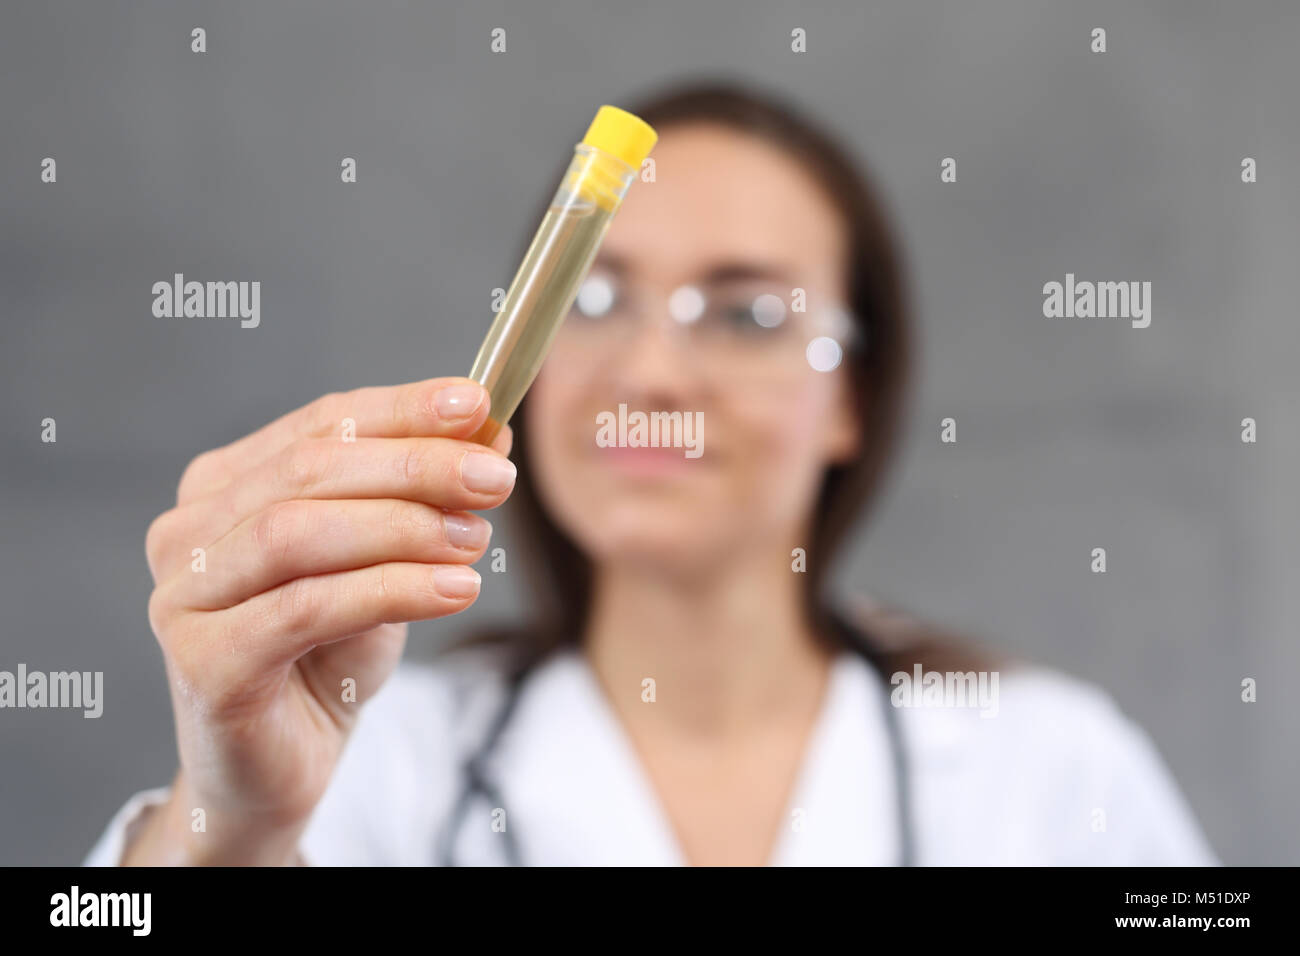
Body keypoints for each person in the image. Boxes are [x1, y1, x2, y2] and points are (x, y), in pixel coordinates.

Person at [84, 82, 1216, 866]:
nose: (652, 370)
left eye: (747, 313)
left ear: (850, 402)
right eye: (592, 297)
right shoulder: (377, 759)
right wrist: (223, 826)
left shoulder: (1047, 762)